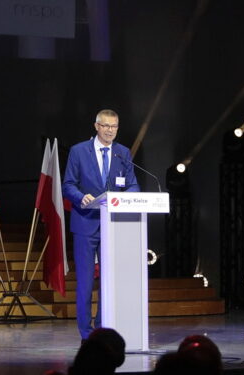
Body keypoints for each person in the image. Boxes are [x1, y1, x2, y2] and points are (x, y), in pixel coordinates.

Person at [63, 109, 139, 341]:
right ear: (96, 126)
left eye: (114, 127)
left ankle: (103, 328)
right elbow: (68, 185)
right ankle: (86, 333)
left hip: (113, 226)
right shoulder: (78, 151)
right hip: (86, 224)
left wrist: (125, 198)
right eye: (105, 126)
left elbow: (132, 185)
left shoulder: (123, 153)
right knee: (86, 282)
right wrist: (80, 197)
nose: (110, 131)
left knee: (108, 281)